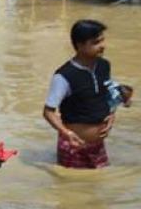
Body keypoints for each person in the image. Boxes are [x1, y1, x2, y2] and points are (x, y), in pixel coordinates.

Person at [43, 20, 132, 169]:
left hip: (98, 146)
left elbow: (107, 94)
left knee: (96, 187)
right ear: (80, 45)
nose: (103, 45)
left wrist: (112, 115)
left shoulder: (104, 65)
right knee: (71, 187)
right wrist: (66, 133)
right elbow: (48, 112)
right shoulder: (64, 76)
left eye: (102, 40)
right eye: (96, 42)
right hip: (74, 145)